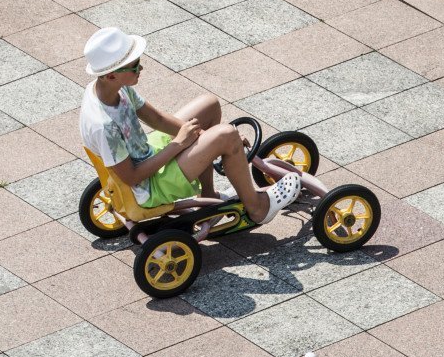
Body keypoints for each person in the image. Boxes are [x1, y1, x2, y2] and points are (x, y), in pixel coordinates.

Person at [79, 27, 299, 224]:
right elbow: (132, 177)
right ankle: (257, 208)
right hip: (148, 189)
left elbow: (156, 119)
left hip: (146, 152)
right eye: (135, 66)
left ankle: (209, 195)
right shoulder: (104, 126)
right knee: (227, 134)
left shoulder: (111, 88)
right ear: (110, 75)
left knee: (209, 105)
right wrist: (180, 144)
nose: (141, 68)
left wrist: (204, 137)